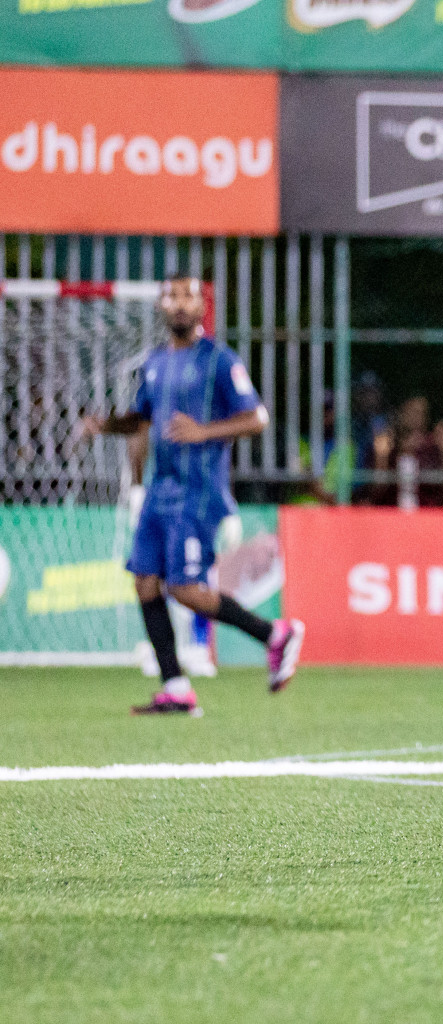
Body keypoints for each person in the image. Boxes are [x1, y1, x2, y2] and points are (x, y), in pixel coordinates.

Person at [81, 277, 305, 715]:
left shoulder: (219, 360)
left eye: (188, 296)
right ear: (162, 306)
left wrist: (206, 431)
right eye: (171, 296)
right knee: (145, 581)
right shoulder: (155, 363)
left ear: (201, 307)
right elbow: (141, 420)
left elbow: (257, 417)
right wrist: (104, 425)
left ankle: (274, 634)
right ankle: (176, 687)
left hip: (195, 493)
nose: (179, 304)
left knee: (184, 588)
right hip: (158, 492)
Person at [368, 395, 443, 508]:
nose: (416, 417)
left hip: (428, 514)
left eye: (421, 412)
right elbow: (376, 492)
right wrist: (381, 457)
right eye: (411, 411)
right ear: (400, 413)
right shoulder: (388, 446)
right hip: (392, 514)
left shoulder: (434, 447)